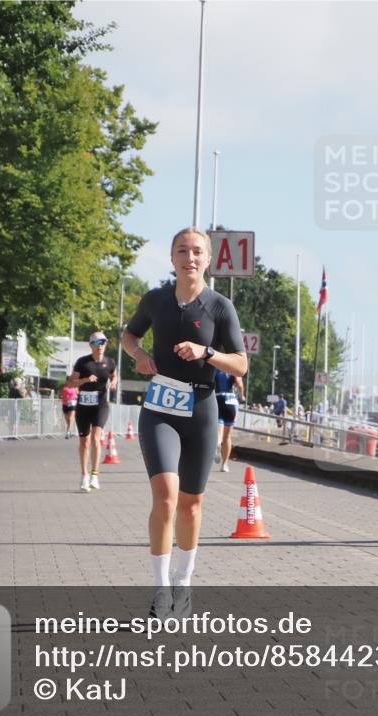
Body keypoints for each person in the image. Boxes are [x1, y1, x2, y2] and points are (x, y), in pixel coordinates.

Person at [122, 227, 246, 617]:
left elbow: (241, 363)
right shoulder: (156, 299)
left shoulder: (220, 306)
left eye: (197, 252)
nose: (189, 258)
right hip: (160, 406)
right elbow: (129, 335)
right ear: (172, 257)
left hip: (202, 407)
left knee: (191, 506)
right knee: (165, 497)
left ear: (208, 259)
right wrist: (138, 355)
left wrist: (207, 352)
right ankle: (160, 590)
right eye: (182, 250)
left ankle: (184, 581)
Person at [68, 332, 117, 492]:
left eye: (103, 342)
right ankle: (84, 475)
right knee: (84, 442)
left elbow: (114, 374)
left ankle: (95, 474)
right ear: (91, 345)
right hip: (83, 405)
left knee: (97, 438)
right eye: (97, 342)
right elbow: (71, 383)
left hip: (100, 404)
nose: (101, 345)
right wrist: (85, 380)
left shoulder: (109, 362)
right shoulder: (83, 362)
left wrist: (113, 382)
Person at [214, 368, 245, 472]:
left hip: (218, 399)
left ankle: (217, 443)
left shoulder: (215, 369)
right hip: (231, 401)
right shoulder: (233, 368)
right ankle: (224, 464)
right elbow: (239, 383)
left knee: (219, 431)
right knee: (227, 436)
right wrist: (242, 395)